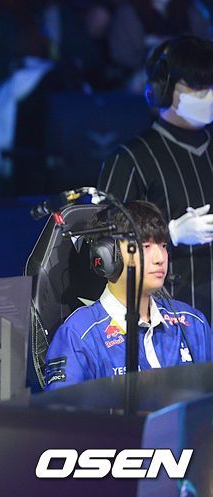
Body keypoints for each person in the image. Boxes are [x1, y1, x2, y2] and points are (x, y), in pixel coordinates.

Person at [98, 35, 213, 323]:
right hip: (168, 317)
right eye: (197, 87)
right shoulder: (130, 159)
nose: (208, 96)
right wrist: (170, 235)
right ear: (162, 90)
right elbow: (104, 246)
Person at [45, 200, 212, 391]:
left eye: (163, 245)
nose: (160, 258)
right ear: (108, 256)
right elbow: (62, 409)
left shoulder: (193, 323)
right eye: (145, 246)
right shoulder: (78, 335)